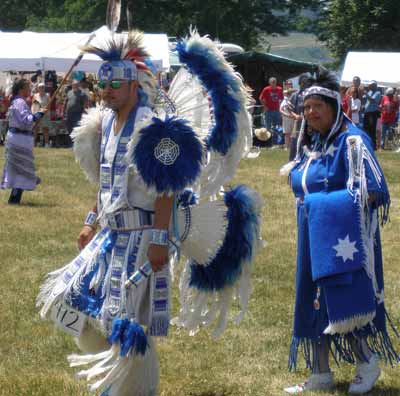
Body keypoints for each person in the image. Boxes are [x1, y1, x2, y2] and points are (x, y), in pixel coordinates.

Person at [37, 31, 262, 396]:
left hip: (143, 237)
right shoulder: (104, 125)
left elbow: (167, 189)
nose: (107, 89)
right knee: (77, 300)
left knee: (128, 323)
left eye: (115, 82)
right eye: (102, 81)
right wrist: (90, 220)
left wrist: (159, 240)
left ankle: (133, 389)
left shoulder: (154, 130)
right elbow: (106, 181)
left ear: (133, 85)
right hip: (111, 234)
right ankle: (117, 380)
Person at [282, 69, 398, 394]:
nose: (311, 113)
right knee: (314, 296)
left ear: (335, 104)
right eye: (306, 107)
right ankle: (320, 371)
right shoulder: (316, 143)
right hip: (315, 234)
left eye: (318, 105)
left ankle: (367, 362)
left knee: (344, 298)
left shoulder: (353, 141)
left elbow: (374, 192)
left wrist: (322, 203)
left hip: (347, 240)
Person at [1, 79, 44, 204]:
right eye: (27, 88)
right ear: (21, 89)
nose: (29, 90)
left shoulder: (18, 101)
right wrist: (38, 114)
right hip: (19, 138)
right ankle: (14, 199)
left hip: (19, 137)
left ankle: (14, 199)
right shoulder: (20, 102)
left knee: (19, 168)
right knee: (20, 168)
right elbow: (26, 120)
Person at [288, 74, 312, 161]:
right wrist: (296, 116)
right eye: (303, 82)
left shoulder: (312, 95)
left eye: (307, 83)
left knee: (307, 141)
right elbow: (289, 109)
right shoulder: (295, 95)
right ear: (300, 83)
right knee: (295, 141)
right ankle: (294, 160)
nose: (305, 84)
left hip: (310, 124)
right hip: (298, 124)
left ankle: (306, 160)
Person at [63, 79, 88, 146]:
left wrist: (84, 114)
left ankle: (76, 144)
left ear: (79, 85)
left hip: (78, 114)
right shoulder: (69, 92)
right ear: (72, 85)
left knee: (76, 130)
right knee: (69, 129)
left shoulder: (82, 93)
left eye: (77, 84)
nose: (75, 86)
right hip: (68, 114)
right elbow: (65, 103)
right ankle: (71, 144)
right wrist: (63, 113)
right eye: (74, 84)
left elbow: (85, 104)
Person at [363, 81, 381, 150]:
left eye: (370, 85)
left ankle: (373, 146)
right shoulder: (369, 92)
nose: (369, 86)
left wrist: (366, 94)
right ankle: (367, 144)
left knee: (372, 129)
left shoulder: (378, 93)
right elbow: (365, 100)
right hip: (367, 113)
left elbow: (372, 100)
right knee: (366, 128)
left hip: (373, 113)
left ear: (374, 85)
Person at [31, 82, 50, 147]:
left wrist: (44, 112)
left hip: (45, 115)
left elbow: (49, 105)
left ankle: (47, 144)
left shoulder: (47, 95)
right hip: (37, 114)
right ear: (38, 88)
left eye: (42, 87)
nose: (41, 88)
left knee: (45, 129)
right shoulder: (35, 95)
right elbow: (33, 105)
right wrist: (34, 113)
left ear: (44, 88)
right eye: (40, 87)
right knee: (35, 129)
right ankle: (33, 144)